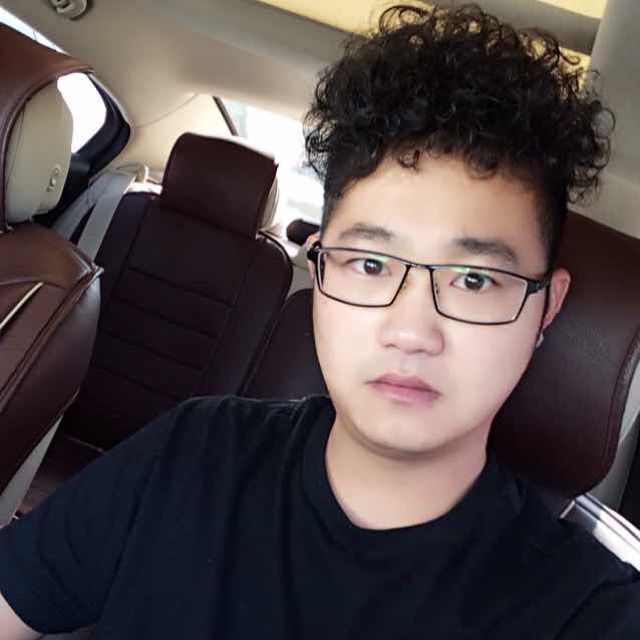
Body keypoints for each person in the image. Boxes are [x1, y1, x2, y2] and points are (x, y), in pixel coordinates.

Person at [1, 3, 638, 639]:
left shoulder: (586, 610)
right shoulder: (194, 452)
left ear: (546, 309)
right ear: (318, 275)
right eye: (370, 264)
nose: (411, 332)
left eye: (474, 280)